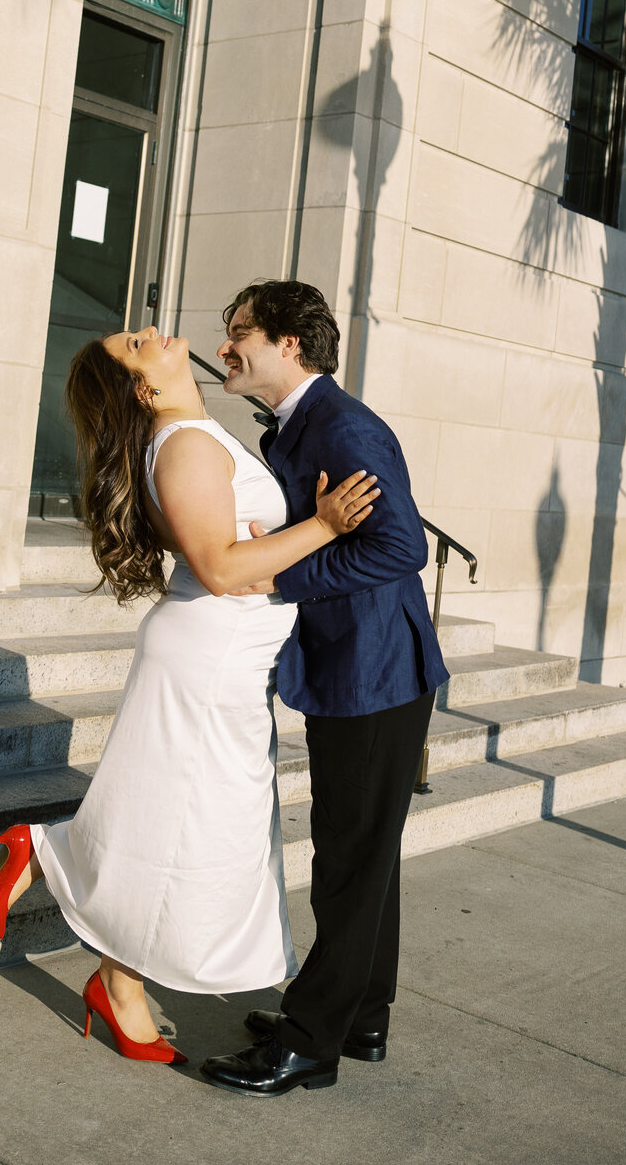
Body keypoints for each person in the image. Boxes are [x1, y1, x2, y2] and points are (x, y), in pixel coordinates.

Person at [0, 324, 378, 1065]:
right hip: (212, 653)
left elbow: (233, 557)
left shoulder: (194, 433)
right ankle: (71, 892)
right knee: (199, 830)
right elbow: (222, 568)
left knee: (180, 824)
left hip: (222, 651)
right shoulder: (186, 445)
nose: (153, 331)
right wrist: (321, 525)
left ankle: (108, 966)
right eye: (135, 344)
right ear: (142, 386)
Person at [200, 280, 447, 1097]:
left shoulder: (341, 426)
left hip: (374, 673)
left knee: (348, 857)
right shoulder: (301, 425)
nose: (227, 346)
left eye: (240, 333)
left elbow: (399, 547)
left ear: (289, 346)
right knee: (364, 852)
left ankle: (311, 1041)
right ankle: (361, 1014)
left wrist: (285, 575)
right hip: (357, 669)